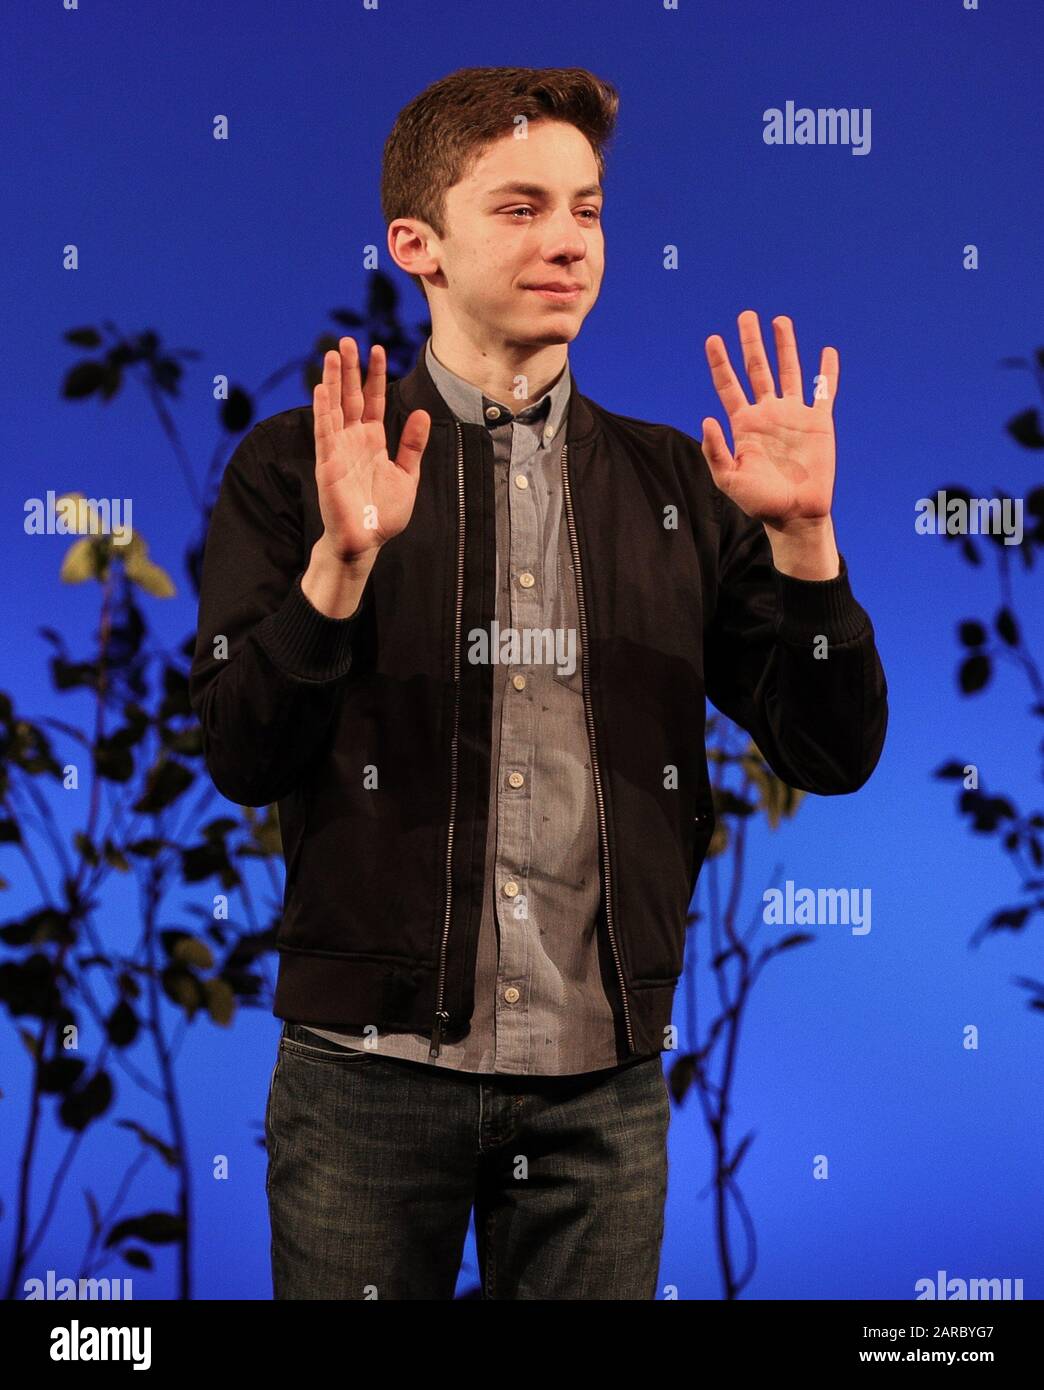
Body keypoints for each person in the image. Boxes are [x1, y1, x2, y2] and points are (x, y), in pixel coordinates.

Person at [189, 65, 888, 1300]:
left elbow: (832, 751)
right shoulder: (298, 469)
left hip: (602, 1091)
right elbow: (243, 752)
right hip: (366, 1076)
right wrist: (340, 567)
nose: (568, 239)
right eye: (521, 207)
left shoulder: (678, 485)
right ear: (420, 245)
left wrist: (809, 548)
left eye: (589, 209)